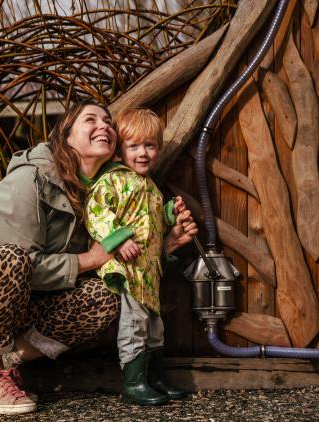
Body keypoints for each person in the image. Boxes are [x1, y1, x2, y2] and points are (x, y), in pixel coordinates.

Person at [0, 101, 198, 415]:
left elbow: (106, 262)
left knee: (106, 295)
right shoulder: (29, 181)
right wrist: (89, 259)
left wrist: (164, 247)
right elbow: (22, 265)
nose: (104, 125)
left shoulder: (101, 192)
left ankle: (10, 361)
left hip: (18, 305)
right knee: (10, 260)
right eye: (90, 120)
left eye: (108, 121)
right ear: (65, 137)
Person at [82, 108, 187, 405]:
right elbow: (96, 213)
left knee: (155, 327)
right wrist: (118, 239)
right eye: (134, 146)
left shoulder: (151, 188)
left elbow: (152, 223)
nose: (143, 153)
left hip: (148, 272)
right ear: (120, 150)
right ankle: (133, 383)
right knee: (135, 325)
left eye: (150, 146)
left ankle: (153, 379)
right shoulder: (113, 180)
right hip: (127, 270)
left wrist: (169, 214)